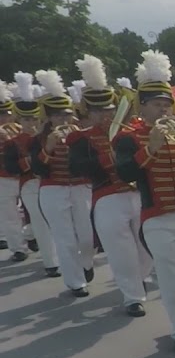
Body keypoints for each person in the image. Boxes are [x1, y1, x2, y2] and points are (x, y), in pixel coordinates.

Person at [114, 51, 175, 354]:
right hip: (156, 216)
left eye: (167, 103)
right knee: (171, 274)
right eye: (157, 104)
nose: (164, 108)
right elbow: (125, 172)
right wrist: (150, 148)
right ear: (143, 107)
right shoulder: (129, 137)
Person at [68, 54, 151, 315]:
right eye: (97, 110)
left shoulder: (132, 131)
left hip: (139, 194)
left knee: (147, 246)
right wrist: (108, 158)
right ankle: (132, 296)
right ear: (88, 112)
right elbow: (78, 169)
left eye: (108, 108)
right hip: (107, 196)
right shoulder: (79, 138)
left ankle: (139, 278)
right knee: (119, 248)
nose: (104, 114)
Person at [30, 70, 95, 298]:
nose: (63, 120)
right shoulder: (37, 139)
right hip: (52, 189)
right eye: (58, 116)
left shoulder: (82, 135)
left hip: (81, 187)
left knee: (88, 237)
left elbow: (90, 162)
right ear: (48, 117)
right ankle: (75, 282)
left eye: (66, 115)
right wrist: (48, 147)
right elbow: (37, 170)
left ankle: (86, 263)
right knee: (64, 237)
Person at [3, 74, 58, 274]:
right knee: (40, 220)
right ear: (19, 119)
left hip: (51, 183)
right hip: (29, 185)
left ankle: (32, 236)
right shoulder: (13, 141)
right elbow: (12, 167)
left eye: (35, 118)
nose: (32, 122)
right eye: (27, 119)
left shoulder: (47, 137)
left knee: (50, 221)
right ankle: (51, 262)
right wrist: (32, 161)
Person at [0, 83, 25, 261]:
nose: (5, 117)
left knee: (33, 212)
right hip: (2, 178)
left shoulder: (19, 129)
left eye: (7, 113)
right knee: (10, 215)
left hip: (23, 176)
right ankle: (18, 248)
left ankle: (31, 236)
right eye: (1, 114)